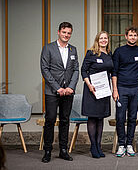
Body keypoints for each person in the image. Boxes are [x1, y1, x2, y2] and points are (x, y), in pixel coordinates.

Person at [40, 22, 79, 163]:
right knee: (50, 120)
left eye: (69, 33)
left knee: (65, 120)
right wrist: (57, 88)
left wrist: (71, 87)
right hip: (52, 91)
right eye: (64, 32)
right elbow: (45, 69)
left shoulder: (73, 50)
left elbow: (76, 70)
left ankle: (63, 150)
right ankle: (48, 150)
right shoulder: (48, 48)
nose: (66, 35)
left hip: (68, 92)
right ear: (58, 32)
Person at [112, 26, 138, 157]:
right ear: (126, 36)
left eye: (135, 35)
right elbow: (114, 72)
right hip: (121, 88)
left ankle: (129, 145)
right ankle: (121, 145)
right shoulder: (119, 51)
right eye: (130, 35)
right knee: (120, 118)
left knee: (132, 118)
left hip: (136, 89)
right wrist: (115, 90)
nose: (133, 37)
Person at [81, 31, 113, 158]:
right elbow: (83, 70)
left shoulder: (110, 54)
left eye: (105, 38)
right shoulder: (91, 53)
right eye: (101, 38)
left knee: (101, 117)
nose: (104, 40)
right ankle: (93, 146)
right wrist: (89, 85)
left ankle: (99, 146)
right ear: (97, 40)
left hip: (104, 90)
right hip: (92, 90)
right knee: (92, 118)